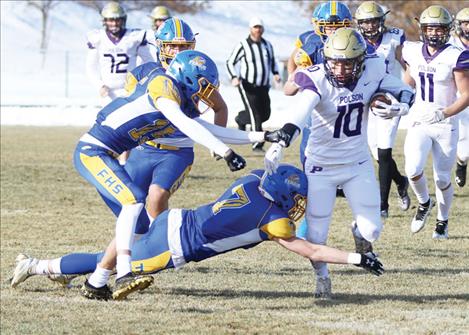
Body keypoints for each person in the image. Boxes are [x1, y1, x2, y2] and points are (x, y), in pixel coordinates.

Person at [10, 165, 384, 300]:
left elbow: (266, 171)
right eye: (296, 198)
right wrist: (357, 257)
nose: (298, 204)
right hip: (175, 245)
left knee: (106, 257)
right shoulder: (274, 221)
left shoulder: (254, 180)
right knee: (101, 263)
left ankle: (57, 269)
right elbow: (314, 252)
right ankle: (37, 265)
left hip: (175, 219)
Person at [74, 50, 259, 301]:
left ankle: (96, 282)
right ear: (187, 76)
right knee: (135, 200)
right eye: (203, 86)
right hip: (93, 150)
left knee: (138, 221)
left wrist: (263, 136)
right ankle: (124, 273)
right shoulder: (163, 85)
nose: (205, 94)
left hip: (108, 152)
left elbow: (210, 128)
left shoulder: (179, 102)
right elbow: (186, 125)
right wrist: (224, 152)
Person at [264, 28, 413, 298]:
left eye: (348, 62)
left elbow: (403, 89)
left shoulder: (374, 68)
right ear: (326, 58)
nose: (341, 69)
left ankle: (359, 232)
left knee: (373, 229)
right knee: (317, 236)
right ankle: (322, 278)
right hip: (321, 166)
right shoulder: (316, 78)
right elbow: (300, 112)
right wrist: (281, 141)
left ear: (361, 61)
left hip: (357, 162)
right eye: (335, 62)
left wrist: (399, 107)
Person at [123, 18, 228, 224]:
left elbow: (220, 107)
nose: (178, 51)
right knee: (130, 207)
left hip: (178, 150)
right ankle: (127, 252)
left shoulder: (198, 74)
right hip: (145, 148)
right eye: (173, 46)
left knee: (156, 197)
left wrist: (215, 141)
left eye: (184, 46)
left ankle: (159, 244)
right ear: (161, 46)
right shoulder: (142, 74)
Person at [401, 5, 469, 239]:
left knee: (441, 178)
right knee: (412, 169)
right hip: (420, 120)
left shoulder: (456, 56)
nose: (434, 33)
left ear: (448, 30)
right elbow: (407, 83)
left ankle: (443, 219)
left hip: (444, 124)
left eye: (439, 29)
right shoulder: (412, 51)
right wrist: (399, 102)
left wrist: (444, 113)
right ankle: (423, 203)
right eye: (430, 28)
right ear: (422, 29)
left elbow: (467, 95)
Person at [355, 1, 410, 219]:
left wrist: (405, 91)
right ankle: (401, 180)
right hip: (366, 99)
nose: (369, 26)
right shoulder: (355, 40)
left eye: (373, 21)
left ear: (381, 21)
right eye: (365, 22)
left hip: (389, 98)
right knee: (377, 153)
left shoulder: (394, 37)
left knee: (385, 150)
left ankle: (383, 205)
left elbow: (408, 65)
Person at [226, 16, 281, 153]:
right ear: (250, 29)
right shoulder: (243, 45)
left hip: (263, 86)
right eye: (255, 27)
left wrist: (276, 73)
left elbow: (273, 61)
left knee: (265, 114)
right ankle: (257, 145)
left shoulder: (267, 45)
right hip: (248, 85)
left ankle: (241, 119)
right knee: (255, 114)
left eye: (260, 27)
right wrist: (234, 77)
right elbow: (230, 62)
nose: (258, 30)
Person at [86, 2, 155, 105]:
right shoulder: (98, 38)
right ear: (104, 20)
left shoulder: (133, 37)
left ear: (123, 20)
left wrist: (141, 81)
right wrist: (99, 85)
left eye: (117, 19)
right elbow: (90, 67)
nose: (114, 24)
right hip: (107, 91)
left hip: (130, 89)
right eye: (110, 20)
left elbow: (149, 63)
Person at [449, 8, 469, 188]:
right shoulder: (451, 44)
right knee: (463, 142)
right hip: (458, 96)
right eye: (466, 23)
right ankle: (461, 163)